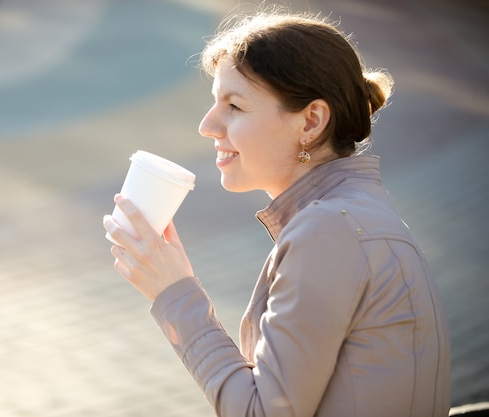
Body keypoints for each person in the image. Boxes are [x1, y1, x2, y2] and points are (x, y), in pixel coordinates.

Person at [102, 9, 451, 417]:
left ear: (311, 122)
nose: (208, 125)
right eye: (215, 103)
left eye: (234, 105)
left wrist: (173, 291)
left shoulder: (329, 231)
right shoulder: (351, 214)